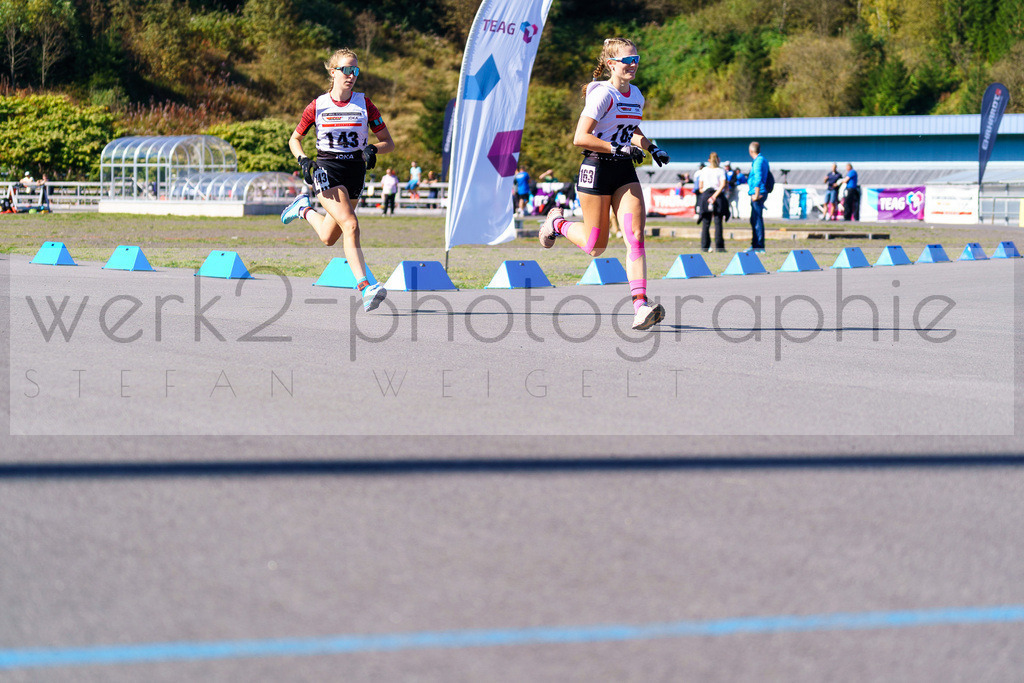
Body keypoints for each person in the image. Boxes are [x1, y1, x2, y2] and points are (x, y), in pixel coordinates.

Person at [538, 37, 671, 331]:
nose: (634, 65)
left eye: (637, 59)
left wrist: (651, 146)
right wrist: (615, 148)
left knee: (635, 236)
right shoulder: (602, 95)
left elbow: (630, 126)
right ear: (612, 64)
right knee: (595, 246)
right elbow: (580, 137)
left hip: (624, 170)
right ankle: (557, 223)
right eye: (628, 60)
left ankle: (640, 306)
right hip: (597, 168)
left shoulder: (636, 94)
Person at [280, 47, 395, 312]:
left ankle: (303, 209)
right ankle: (365, 286)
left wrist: (373, 149)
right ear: (333, 72)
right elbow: (294, 139)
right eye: (346, 69)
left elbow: (388, 142)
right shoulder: (318, 105)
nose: (352, 75)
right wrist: (303, 160)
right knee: (351, 225)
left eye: (356, 70)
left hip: (355, 171)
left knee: (328, 237)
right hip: (327, 168)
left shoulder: (365, 104)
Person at [698, 152, 728, 252]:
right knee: (718, 222)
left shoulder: (704, 170)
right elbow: (723, 185)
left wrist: (707, 196)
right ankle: (719, 247)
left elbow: (700, 187)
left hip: (706, 196)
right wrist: (714, 196)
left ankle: (705, 246)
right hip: (718, 196)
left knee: (706, 222)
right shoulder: (721, 171)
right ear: (718, 159)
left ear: (709, 160)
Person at [747, 141, 769, 252]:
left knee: (757, 220)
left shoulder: (758, 162)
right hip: (760, 192)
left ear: (751, 151)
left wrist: (756, 194)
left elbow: (758, 178)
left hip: (758, 193)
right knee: (754, 219)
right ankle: (755, 244)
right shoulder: (763, 160)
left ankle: (759, 245)